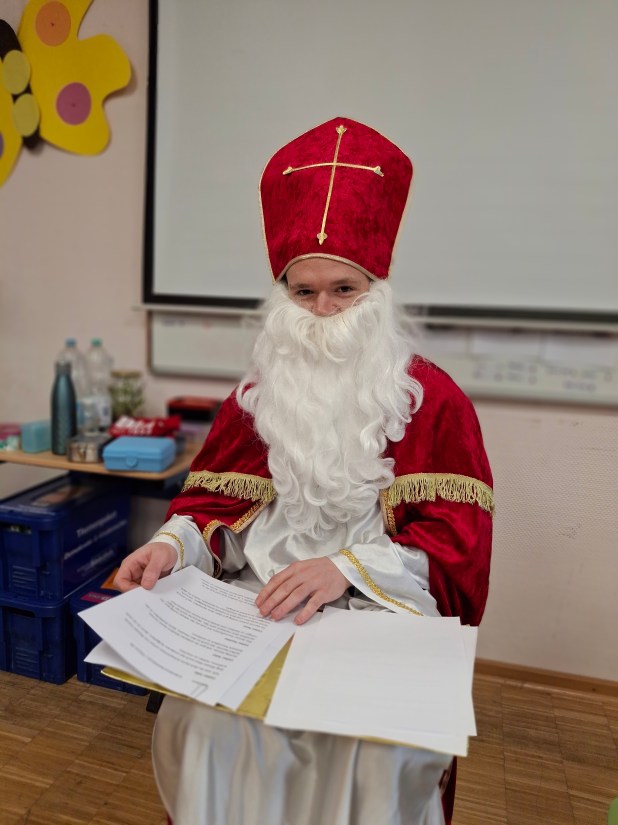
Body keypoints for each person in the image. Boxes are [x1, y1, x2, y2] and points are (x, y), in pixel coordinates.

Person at [115, 116, 493, 825]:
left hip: (374, 615)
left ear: (376, 288)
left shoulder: (433, 401)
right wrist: (171, 544)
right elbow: (213, 510)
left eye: (344, 290)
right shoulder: (258, 396)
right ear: (280, 293)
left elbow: (456, 552)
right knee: (207, 729)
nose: (323, 312)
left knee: (375, 753)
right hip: (253, 615)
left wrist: (346, 569)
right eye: (303, 291)